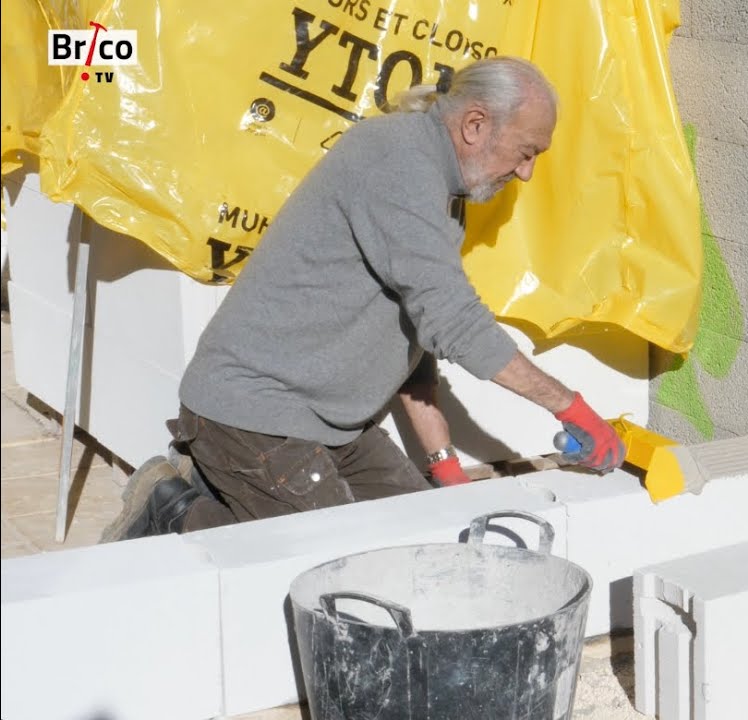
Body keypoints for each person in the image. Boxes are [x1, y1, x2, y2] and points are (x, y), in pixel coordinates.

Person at [101, 57, 624, 542]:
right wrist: (571, 408)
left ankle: (230, 490)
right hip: (255, 412)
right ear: (475, 125)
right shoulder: (397, 162)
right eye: (527, 151)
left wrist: (443, 463)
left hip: (332, 423)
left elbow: (417, 334)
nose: (527, 171)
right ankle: (172, 506)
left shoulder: (442, 190)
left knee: (419, 535)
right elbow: (455, 323)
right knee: (336, 557)